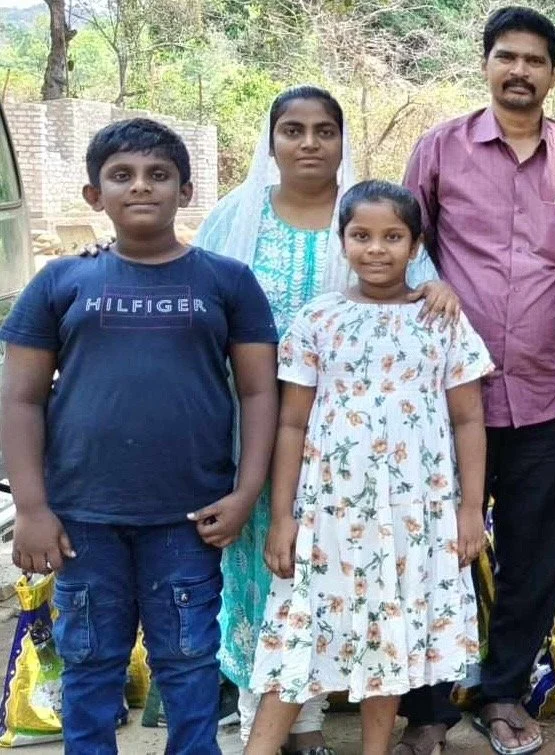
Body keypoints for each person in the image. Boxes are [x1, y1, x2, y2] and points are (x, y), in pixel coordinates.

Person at [191, 85, 460, 753]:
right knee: (266, 564)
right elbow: (194, 298)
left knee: (340, 574)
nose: (308, 142)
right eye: (292, 129)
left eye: (323, 130)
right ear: (271, 139)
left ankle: (309, 720)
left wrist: (441, 286)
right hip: (257, 427)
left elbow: (420, 298)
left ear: (343, 141)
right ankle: (267, 713)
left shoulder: (368, 218)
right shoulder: (233, 219)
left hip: (359, 449)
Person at [0, 118, 280, 754]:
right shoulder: (62, 282)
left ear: (185, 190)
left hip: (189, 516)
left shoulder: (226, 282)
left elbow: (261, 391)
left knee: (187, 665)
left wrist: (247, 490)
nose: (141, 188)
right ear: (94, 196)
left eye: (159, 175)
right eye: (121, 176)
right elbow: (19, 399)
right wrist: (32, 508)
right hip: (81, 519)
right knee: (91, 665)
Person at [395, 7, 555, 754]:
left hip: (550, 394)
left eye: (534, 60)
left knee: (532, 555)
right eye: (506, 57)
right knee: (434, 552)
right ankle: (426, 707)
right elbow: (400, 245)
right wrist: (429, 284)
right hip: (445, 396)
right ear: (485, 64)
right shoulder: (440, 148)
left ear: (553, 73)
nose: (519, 71)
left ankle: (501, 694)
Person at [242, 180, 491, 755]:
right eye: (361, 236)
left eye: (392, 237)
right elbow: (291, 424)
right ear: (342, 240)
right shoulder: (317, 321)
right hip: (330, 512)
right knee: (297, 633)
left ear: (415, 244)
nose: (376, 249)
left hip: (414, 515)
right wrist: (282, 517)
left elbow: (468, 422)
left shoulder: (442, 320)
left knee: (389, 640)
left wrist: (470, 508)